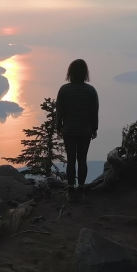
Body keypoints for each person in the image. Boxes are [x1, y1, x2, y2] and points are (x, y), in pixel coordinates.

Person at [55, 59, 99, 202]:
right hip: (85, 131)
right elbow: (94, 112)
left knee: (71, 160)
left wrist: (58, 127)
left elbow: (60, 111)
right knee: (82, 160)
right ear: (85, 73)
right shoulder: (91, 91)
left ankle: (70, 189)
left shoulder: (64, 90)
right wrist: (94, 128)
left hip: (69, 130)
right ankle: (81, 189)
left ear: (71, 72)